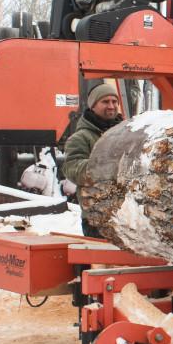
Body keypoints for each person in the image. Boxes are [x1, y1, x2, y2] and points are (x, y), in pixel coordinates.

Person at [63, 83, 122, 238]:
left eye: (114, 101)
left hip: (127, 217)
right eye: (105, 102)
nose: (111, 106)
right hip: (97, 219)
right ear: (93, 106)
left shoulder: (127, 133)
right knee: (102, 261)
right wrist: (106, 167)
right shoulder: (80, 138)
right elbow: (72, 168)